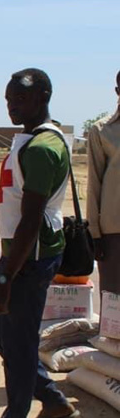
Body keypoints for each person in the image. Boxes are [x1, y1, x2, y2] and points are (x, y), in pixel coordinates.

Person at [0, 68, 78, 418]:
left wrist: (4, 277)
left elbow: (31, 220)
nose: (13, 106)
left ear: (44, 96)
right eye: (9, 99)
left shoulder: (42, 148)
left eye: (22, 98)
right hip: (22, 252)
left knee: (19, 342)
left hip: (29, 257)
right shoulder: (31, 139)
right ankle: (51, 398)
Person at [88, 70, 120, 295]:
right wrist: (94, 233)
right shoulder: (101, 130)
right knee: (113, 300)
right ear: (117, 91)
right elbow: (94, 184)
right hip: (114, 230)